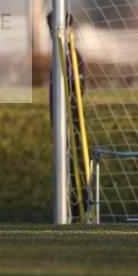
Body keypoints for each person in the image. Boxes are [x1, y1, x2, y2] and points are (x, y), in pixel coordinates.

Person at [47, 12, 87, 221]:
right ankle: (69, 211)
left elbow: (80, 89)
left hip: (71, 119)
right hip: (58, 120)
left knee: (75, 164)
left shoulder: (73, 56)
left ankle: (83, 210)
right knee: (63, 165)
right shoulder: (56, 55)